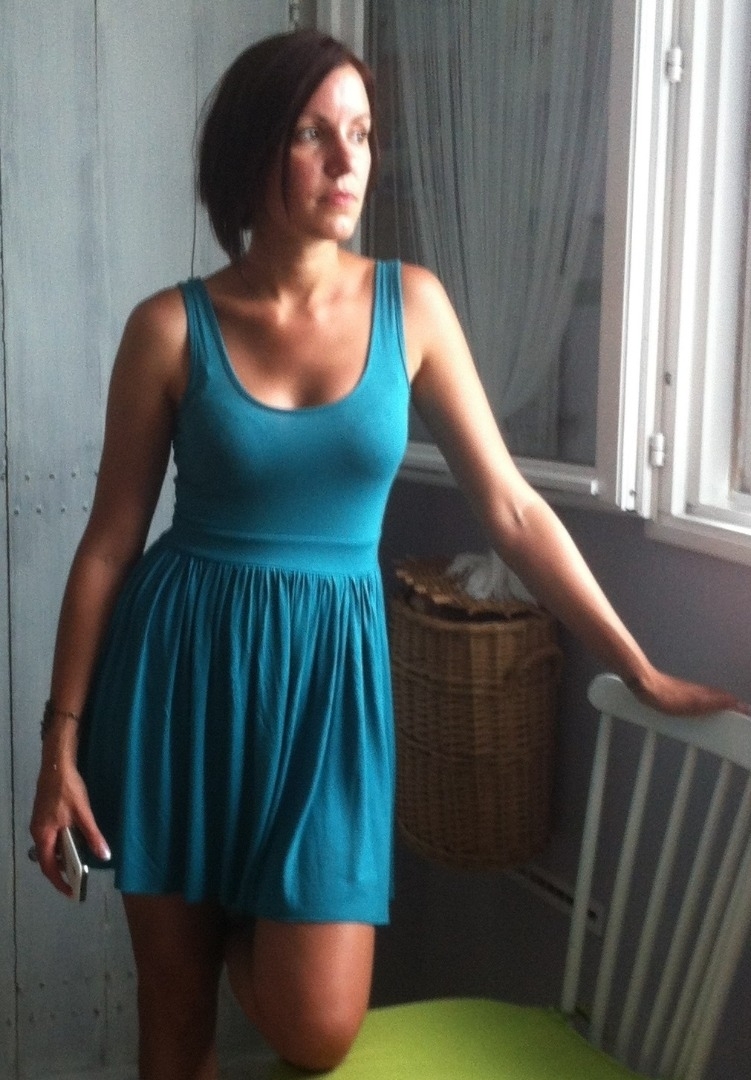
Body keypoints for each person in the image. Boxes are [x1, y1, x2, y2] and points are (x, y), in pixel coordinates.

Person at [29, 27, 742, 1080]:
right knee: (174, 1022)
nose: (346, 159)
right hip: (181, 678)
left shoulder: (414, 307)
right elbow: (107, 547)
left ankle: (236, 917)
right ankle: (204, 920)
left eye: (360, 134)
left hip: (326, 694)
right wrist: (59, 746)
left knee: (316, 1027)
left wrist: (637, 666)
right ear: (252, 151)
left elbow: (512, 510)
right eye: (312, 133)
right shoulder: (168, 329)